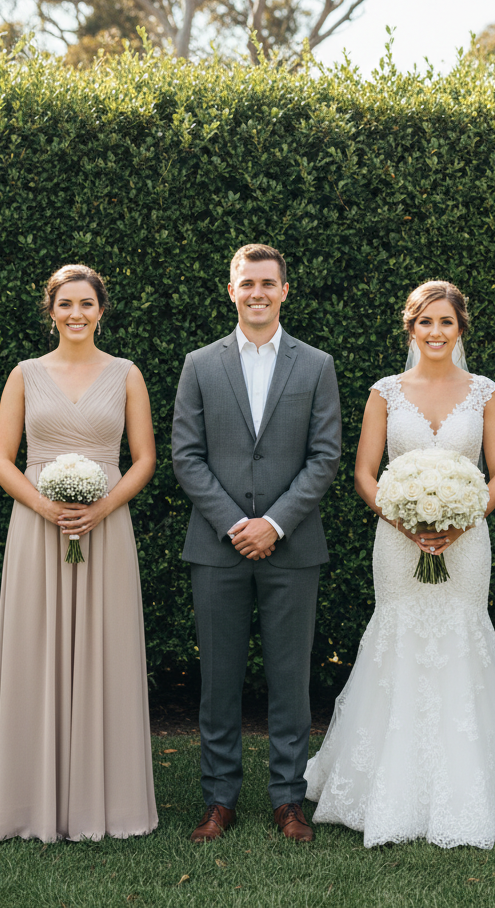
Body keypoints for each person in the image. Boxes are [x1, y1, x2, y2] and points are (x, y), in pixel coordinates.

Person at [304, 281, 495, 849]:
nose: (436, 332)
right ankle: (388, 783)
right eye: (425, 322)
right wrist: (404, 520)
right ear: (411, 328)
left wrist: (462, 519)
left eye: (446, 322)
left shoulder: (484, 393)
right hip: (397, 542)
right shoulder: (384, 393)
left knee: (462, 634)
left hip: (467, 540)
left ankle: (471, 782)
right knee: (397, 635)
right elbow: (364, 474)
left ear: (460, 329)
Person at [0, 264, 158, 842]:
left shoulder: (126, 373)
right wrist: (43, 505)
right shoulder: (25, 374)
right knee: (36, 647)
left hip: (107, 525)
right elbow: (1, 458)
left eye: (86, 304)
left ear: (101, 311)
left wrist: (102, 508)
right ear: (51, 311)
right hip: (38, 527)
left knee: (107, 648)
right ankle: (31, 803)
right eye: (65, 304)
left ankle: (107, 803)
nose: (76, 314)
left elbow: (145, 459)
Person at [172, 244, 342, 844]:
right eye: (247, 283)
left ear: (284, 291)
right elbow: (186, 456)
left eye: (268, 283)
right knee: (218, 681)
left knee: (291, 681)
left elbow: (325, 456)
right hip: (216, 548)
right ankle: (219, 800)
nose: (258, 293)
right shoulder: (200, 364)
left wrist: (274, 523)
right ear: (232, 290)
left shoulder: (316, 365)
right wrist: (234, 523)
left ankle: (288, 799)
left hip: (293, 548)